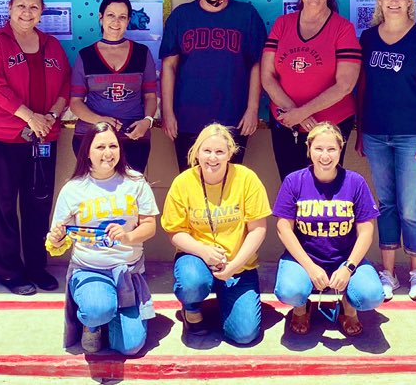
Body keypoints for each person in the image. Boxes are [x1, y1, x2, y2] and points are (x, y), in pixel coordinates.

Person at [0, 0, 70, 295]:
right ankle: (8, 271)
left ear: (42, 11)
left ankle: (36, 266)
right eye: (21, 6)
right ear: (10, 8)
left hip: (44, 138)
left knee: (38, 204)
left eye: (33, 7)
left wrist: (51, 117)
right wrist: (30, 117)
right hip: (2, 138)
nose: (27, 12)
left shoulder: (52, 45)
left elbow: (67, 85)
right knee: (1, 206)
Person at [355, 0, 416, 302]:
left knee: (410, 207)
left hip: (413, 136)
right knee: (386, 204)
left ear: (410, 1)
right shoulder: (367, 38)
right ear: (379, 1)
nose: (394, 1)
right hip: (377, 133)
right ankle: (388, 273)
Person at [46, 123, 159, 355]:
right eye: (100, 147)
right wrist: (56, 239)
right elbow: (58, 239)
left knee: (131, 346)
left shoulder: (136, 182)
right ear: (87, 151)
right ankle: (93, 321)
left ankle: (115, 310)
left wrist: (129, 236)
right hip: (90, 269)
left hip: (127, 272)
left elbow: (149, 226)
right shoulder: (73, 188)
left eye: (113, 146)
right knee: (98, 309)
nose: (108, 153)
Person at [160, 123, 271, 344]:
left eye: (220, 151)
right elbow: (174, 232)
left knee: (244, 335)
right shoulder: (183, 182)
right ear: (196, 152)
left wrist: (235, 265)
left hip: (238, 263)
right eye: (207, 150)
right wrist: (203, 251)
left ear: (230, 153)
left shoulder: (246, 178)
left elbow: (258, 229)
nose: (213, 158)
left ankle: (225, 301)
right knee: (192, 283)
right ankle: (192, 309)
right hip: (196, 258)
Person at [273, 123, 383, 336]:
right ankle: (301, 308)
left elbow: (367, 232)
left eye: (331, 149)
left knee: (371, 296)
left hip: (345, 258)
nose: (325, 155)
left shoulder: (355, 182)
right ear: (309, 150)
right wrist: (310, 267)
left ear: (340, 150)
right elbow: (283, 228)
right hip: (304, 259)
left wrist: (348, 268)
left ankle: (348, 308)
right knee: (290, 291)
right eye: (319, 149)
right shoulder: (294, 181)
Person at [160, 0, 266, 172]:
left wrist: (253, 108)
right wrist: (168, 112)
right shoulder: (182, 16)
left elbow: (257, 64)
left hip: (233, 118)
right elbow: (169, 67)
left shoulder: (246, 15)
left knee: (229, 186)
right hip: (187, 119)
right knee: (191, 185)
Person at [261, 0, 362, 180]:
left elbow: (345, 84)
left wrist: (304, 112)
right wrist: (294, 112)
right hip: (286, 122)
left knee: (324, 192)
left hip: (329, 124)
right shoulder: (282, 24)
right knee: (291, 187)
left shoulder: (343, 28)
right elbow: (267, 77)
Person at [69, 0, 158, 174]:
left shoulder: (142, 53)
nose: (116, 22)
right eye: (110, 15)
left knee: (129, 197)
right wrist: (100, 121)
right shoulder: (86, 55)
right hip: (91, 139)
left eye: (122, 17)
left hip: (133, 138)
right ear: (101, 18)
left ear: (128, 21)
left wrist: (147, 121)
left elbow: (150, 96)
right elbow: (75, 103)